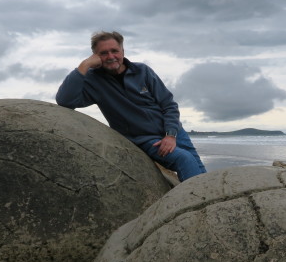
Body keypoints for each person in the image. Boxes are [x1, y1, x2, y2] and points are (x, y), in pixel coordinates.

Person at [56, 31, 206, 181]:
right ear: (95, 56)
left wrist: (171, 135)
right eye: (103, 53)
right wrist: (84, 65)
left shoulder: (142, 71)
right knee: (184, 159)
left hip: (174, 132)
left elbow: (169, 105)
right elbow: (65, 101)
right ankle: (196, 202)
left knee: (201, 172)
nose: (110, 56)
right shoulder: (94, 81)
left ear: (122, 51)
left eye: (114, 51)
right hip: (145, 140)